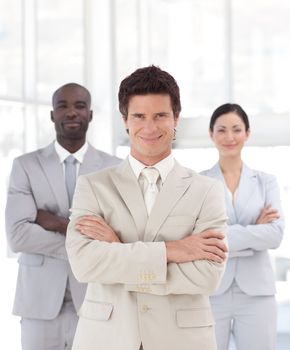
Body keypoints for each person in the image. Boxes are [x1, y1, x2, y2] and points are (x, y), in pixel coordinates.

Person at [66, 66, 228, 350]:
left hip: (182, 341)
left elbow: (207, 276)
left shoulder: (207, 190)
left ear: (176, 117)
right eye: (139, 116)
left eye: (160, 116)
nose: (150, 127)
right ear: (125, 120)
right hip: (107, 338)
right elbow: (85, 263)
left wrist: (117, 251)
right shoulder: (93, 186)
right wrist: (174, 250)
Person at [5, 82, 120, 350]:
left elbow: (118, 234)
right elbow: (18, 235)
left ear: (90, 114)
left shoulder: (114, 169)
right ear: (52, 114)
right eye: (62, 106)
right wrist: (87, 240)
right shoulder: (25, 166)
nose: (71, 113)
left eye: (80, 106)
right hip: (38, 302)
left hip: (97, 301)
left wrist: (56, 223)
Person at [201, 103, 284, 350]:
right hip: (212, 291)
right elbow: (200, 237)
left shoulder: (266, 181)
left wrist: (224, 238)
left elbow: (275, 235)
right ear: (211, 134)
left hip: (257, 294)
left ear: (247, 133)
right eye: (222, 130)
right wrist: (254, 231)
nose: (229, 137)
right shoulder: (200, 183)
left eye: (236, 129)